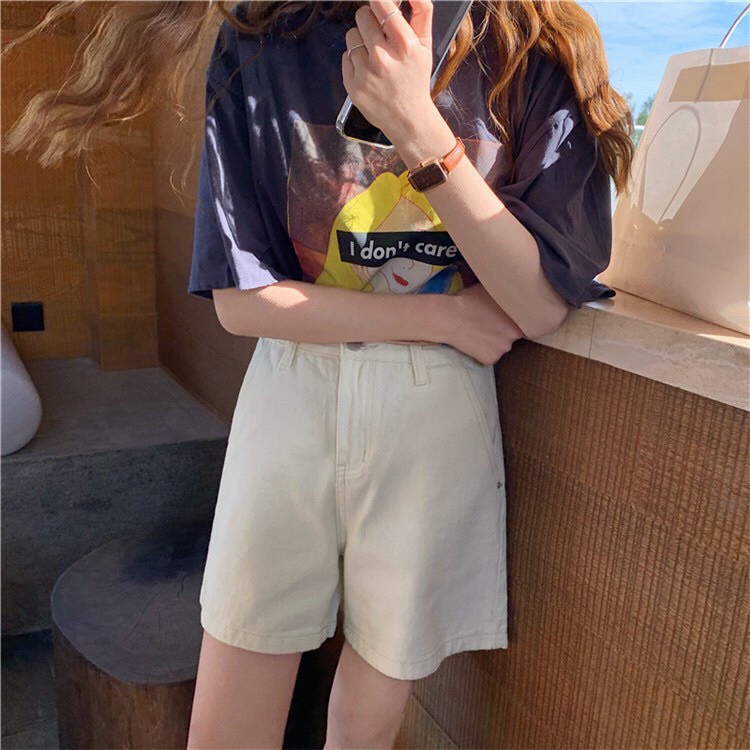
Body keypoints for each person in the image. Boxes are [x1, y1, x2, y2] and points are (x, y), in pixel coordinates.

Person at [2, 1, 634, 747]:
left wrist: (416, 123)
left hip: (432, 412)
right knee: (236, 683)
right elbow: (242, 300)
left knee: (368, 717)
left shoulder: (532, 50)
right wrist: (442, 318)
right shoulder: (265, 34)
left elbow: (537, 302)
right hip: (297, 386)